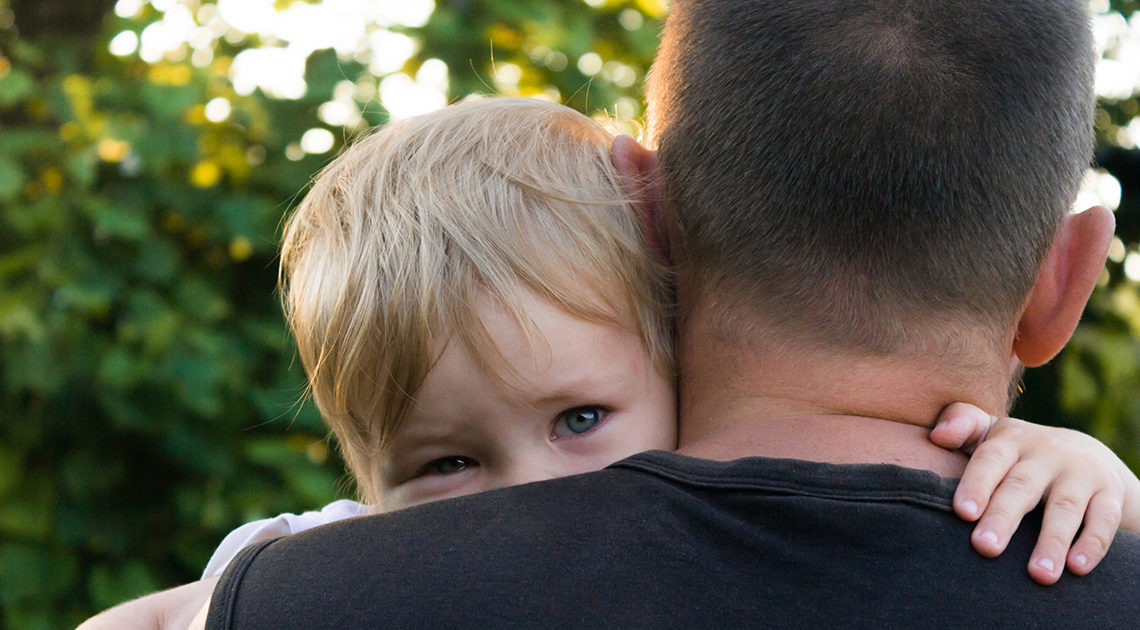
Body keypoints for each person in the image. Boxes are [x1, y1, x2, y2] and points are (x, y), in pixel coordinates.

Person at [80, 0, 1140, 623]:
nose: (527, 496)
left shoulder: (299, 601)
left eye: (578, 420)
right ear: (1067, 281)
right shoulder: (1083, 555)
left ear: (650, 214)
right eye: (447, 461)